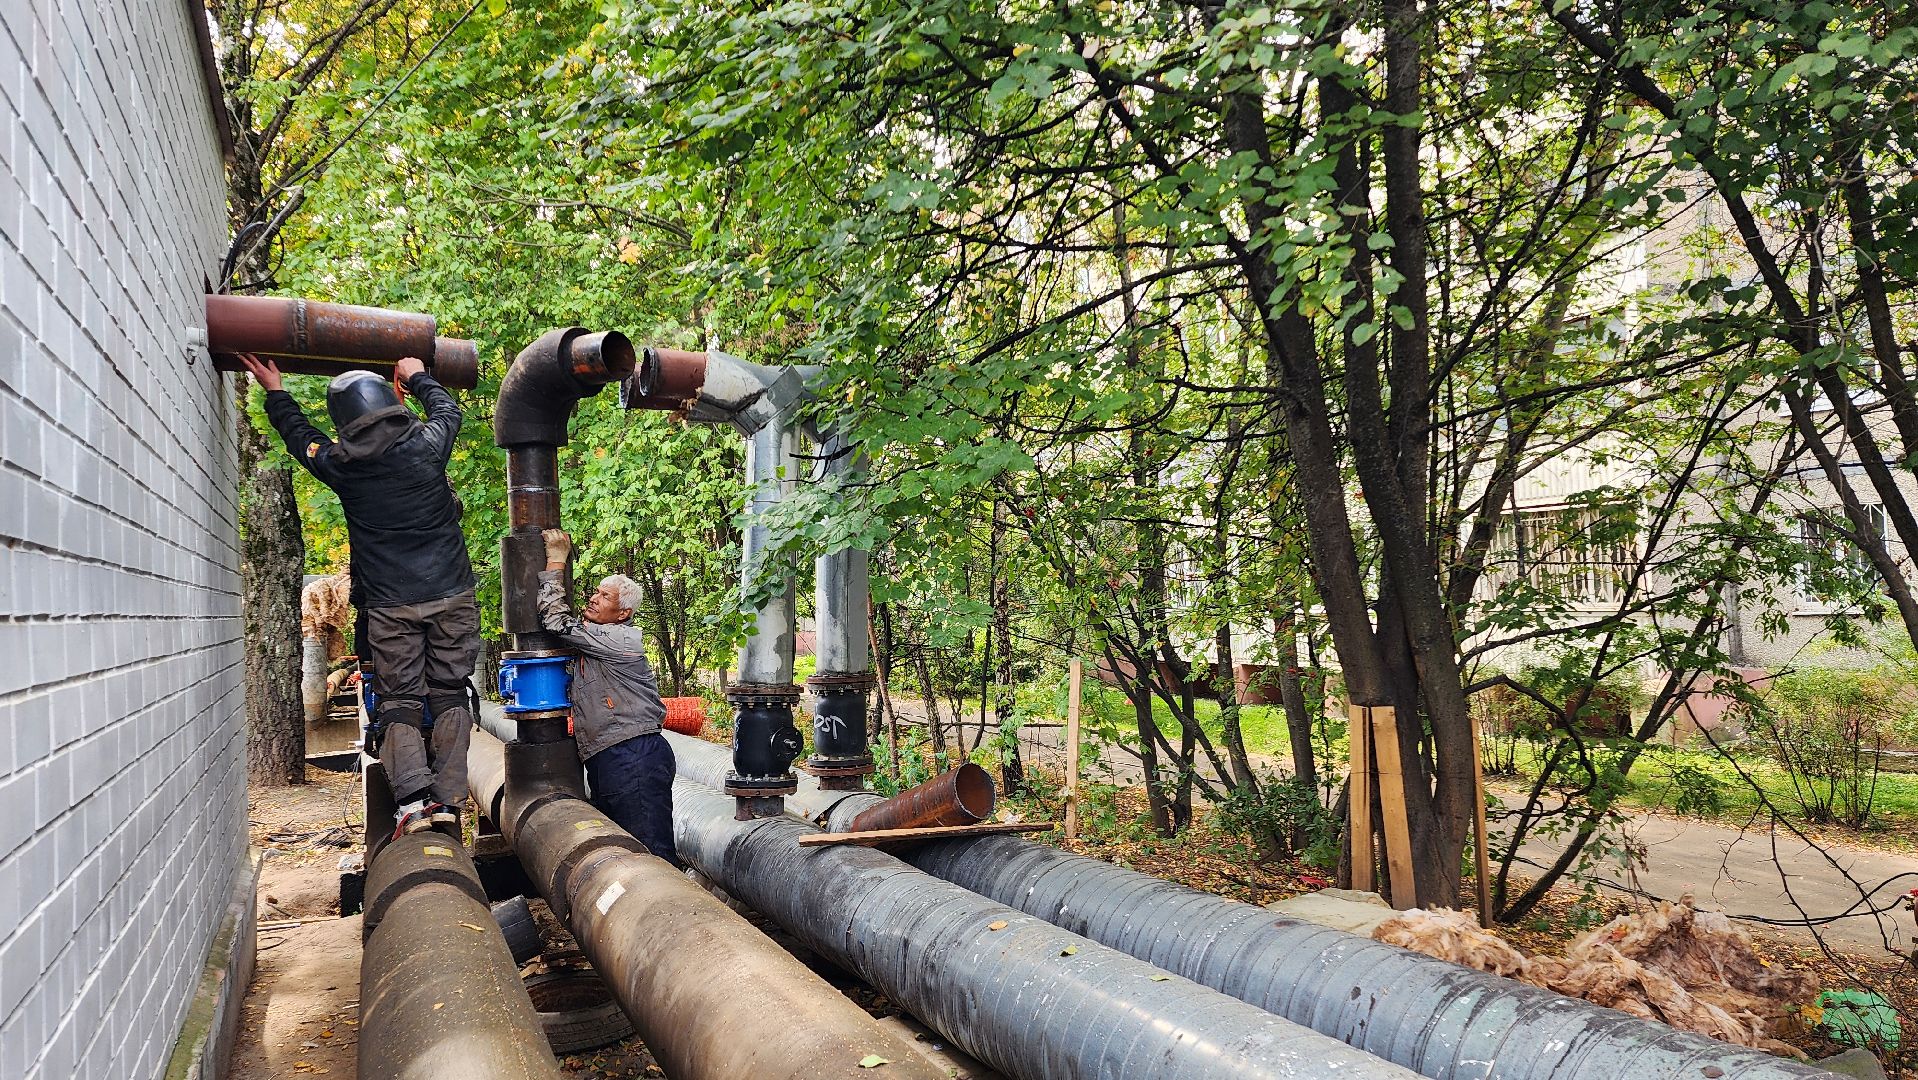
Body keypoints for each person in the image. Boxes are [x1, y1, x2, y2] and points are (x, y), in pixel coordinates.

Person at [240, 353, 479, 838]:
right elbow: (448, 411)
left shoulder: (341, 465)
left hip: (391, 605)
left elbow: (300, 438)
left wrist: (276, 390)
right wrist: (417, 375)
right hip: (451, 593)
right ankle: (450, 800)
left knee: (399, 700)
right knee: (450, 693)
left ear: (346, 422)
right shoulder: (427, 446)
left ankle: (413, 802)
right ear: (391, 406)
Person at [537, 528, 677, 866]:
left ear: (623, 613)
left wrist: (556, 560)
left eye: (604, 597)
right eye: (596, 592)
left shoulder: (617, 640)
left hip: (633, 755)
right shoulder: (593, 646)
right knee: (624, 853)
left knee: (650, 855)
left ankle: (671, 915)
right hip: (609, 757)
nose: (593, 599)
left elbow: (555, 620)